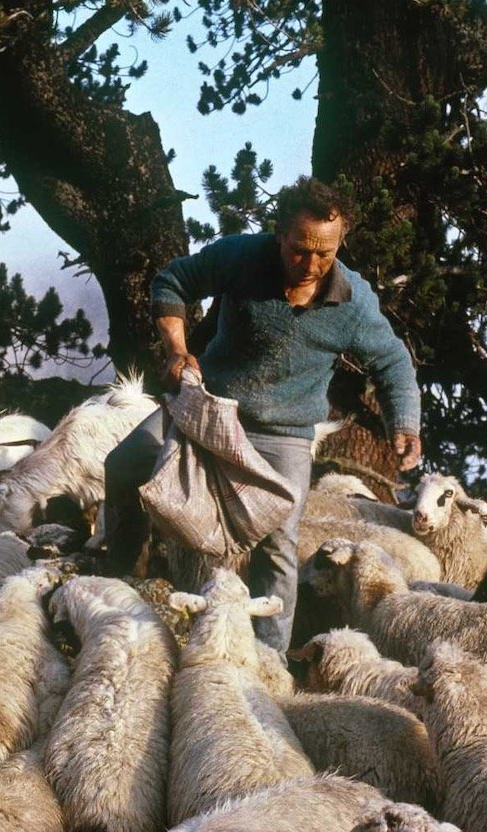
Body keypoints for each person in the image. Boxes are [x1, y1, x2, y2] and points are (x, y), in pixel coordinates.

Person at [103, 176, 422, 652]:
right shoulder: (241, 257)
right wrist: (176, 348)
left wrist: (404, 423)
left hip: (284, 431)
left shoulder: (353, 304)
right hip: (209, 407)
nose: (310, 264)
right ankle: (118, 586)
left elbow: (392, 362)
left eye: (325, 254)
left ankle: (269, 662)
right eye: (299, 250)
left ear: (340, 243)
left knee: (278, 547)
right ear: (280, 234)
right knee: (124, 466)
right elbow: (173, 280)